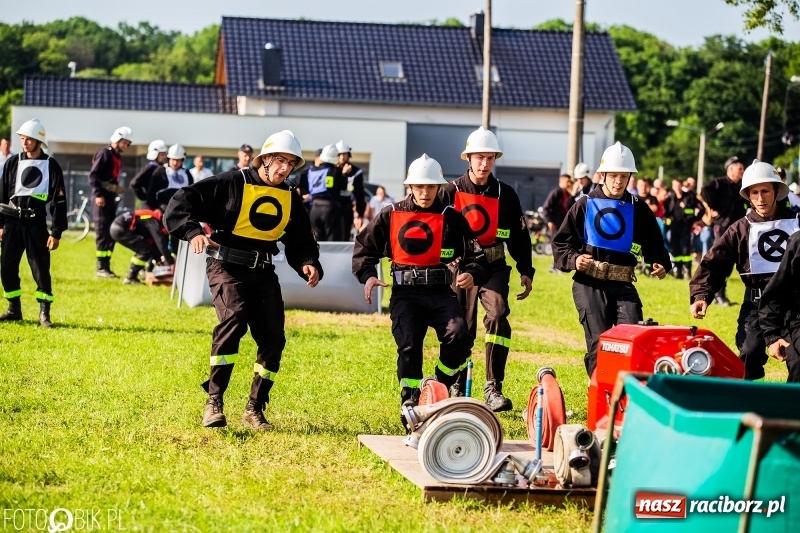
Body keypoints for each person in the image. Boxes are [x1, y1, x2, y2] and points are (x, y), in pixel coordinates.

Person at [164, 130, 323, 430]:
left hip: (263, 272)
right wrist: (192, 231)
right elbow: (181, 202)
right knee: (233, 320)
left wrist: (307, 262)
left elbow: (300, 237)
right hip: (226, 267)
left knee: (274, 338)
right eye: (279, 160)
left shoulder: (290, 196)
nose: (284, 169)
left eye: (290, 163)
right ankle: (214, 401)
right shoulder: (232, 181)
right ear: (263, 159)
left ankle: (255, 408)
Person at [353, 154, 488, 428]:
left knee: (460, 337)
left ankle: (438, 387)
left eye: (430, 187)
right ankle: (410, 402)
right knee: (409, 346)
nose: (424, 192)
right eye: (419, 187)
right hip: (405, 294)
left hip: (441, 291)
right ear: (410, 187)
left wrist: (471, 273)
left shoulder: (452, 217)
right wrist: (367, 276)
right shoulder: (391, 214)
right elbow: (363, 249)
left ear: (439, 187)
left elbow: (477, 255)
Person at [552, 142, 671, 377]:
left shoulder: (640, 208)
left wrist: (660, 263)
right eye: (614, 175)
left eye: (624, 176)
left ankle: (626, 396)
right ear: (603, 174)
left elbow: (655, 244)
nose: (618, 181)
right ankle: (598, 393)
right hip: (589, 284)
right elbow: (560, 244)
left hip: (624, 285)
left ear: (630, 178)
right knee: (599, 342)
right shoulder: (584, 205)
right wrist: (575, 260)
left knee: (635, 338)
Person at [439, 127, 533, 412]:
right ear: (468, 158)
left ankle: (493, 387)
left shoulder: (506, 194)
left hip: (494, 266)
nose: (484, 163)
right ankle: (456, 380)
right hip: (460, 269)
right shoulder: (449, 192)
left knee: (498, 315)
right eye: (479, 157)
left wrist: (526, 269)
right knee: (461, 327)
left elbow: (519, 237)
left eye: (490, 158)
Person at [691, 160, 797, 381]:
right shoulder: (739, 229)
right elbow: (715, 262)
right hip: (755, 306)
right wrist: (702, 294)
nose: (760, 198)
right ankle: (747, 404)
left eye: (765, 191)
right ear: (747, 195)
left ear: (777, 190)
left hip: (793, 306)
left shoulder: (796, 225)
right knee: (749, 352)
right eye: (754, 192)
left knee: (798, 359)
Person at [0, 118, 67, 327]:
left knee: (40, 269)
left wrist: (56, 232)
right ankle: (13, 309)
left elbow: (59, 201)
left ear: (39, 141)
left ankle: (44, 313)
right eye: (22, 138)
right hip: (12, 223)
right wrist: (0, 225)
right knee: (7, 266)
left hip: (36, 224)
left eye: (29, 139)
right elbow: (2, 194)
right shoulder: (12, 162)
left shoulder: (51, 165)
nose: (25, 142)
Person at [701, 156, 747, 306]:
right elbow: (704, 190)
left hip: (738, 227)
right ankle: (718, 295)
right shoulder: (719, 183)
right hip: (722, 227)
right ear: (730, 169)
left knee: (731, 262)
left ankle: (721, 294)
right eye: (739, 168)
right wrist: (713, 208)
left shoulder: (741, 186)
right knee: (721, 259)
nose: (742, 171)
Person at [90, 126, 132, 278]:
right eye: (125, 143)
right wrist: (98, 194)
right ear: (118, 139)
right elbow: (93, 176)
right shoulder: (104, 153)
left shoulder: (116, 156)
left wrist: (115, 188)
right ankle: (101, 268)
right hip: (101, 199)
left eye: (128, 144)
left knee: (110, 232)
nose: (126, 146)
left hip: (110, 198)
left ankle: (106, 266)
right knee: (102, 231)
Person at [110, 208, 174, 285]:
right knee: (144, 251)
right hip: (120, 228)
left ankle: (132, 276)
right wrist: (171, 262)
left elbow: (153, 245)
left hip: (118, 227)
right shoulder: (154, 221)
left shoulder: (154, 219)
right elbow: (160, 242)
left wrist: (158, 260)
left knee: (144, 249)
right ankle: (130, 278)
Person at [307, 144, 346, 241]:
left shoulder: (311, 170)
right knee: (333, 239)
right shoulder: (335, 171)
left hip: (314, 208)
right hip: (329, 208)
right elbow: (343, 186)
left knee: (316, 239)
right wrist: (344, 173)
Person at [664, 178, 700, 279]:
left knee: (686, 250)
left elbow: (700, 208)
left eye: (679, 185)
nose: (677, 188)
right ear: (672, 187)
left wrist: (693, 219)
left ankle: (687, 270)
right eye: (675, 186)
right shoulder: (670, 199)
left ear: (681, 186)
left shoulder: (689, 197)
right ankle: (678, 271)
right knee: (676, 249)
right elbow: (666, 213)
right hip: (674, 227)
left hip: (685, 227)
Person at [335, 140, 366, 240]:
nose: (342, 157)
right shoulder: (332, 169)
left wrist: (360, 214)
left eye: (344, 154)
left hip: (347, 209)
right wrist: (342, 174)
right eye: (339, 154)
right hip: (332, 209)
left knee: (344, 237)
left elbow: (360, 194)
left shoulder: (356, 172)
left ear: (348, 155)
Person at [130, 139, 168, 207]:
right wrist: (145, 197)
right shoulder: (150, 168)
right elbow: (134, 183)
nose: (164, 157)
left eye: (165, 154)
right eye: (162, 154)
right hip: (151, 206)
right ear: (155, 155)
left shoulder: (164, 168)